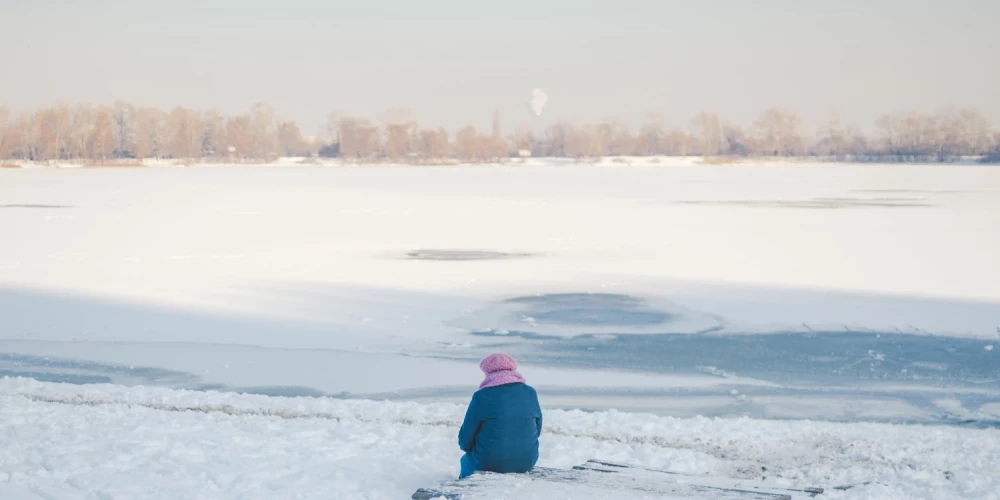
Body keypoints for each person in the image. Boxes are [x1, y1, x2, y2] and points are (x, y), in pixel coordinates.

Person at [457, 353, 543, 479]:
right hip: (527, 460)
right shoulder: (530, 392)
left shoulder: (481, 396)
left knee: (465, 461)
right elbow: (538, 426)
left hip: (489, 462)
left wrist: (467, 448)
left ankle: (464, 490)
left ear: (487, 371)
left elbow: (467, 435)